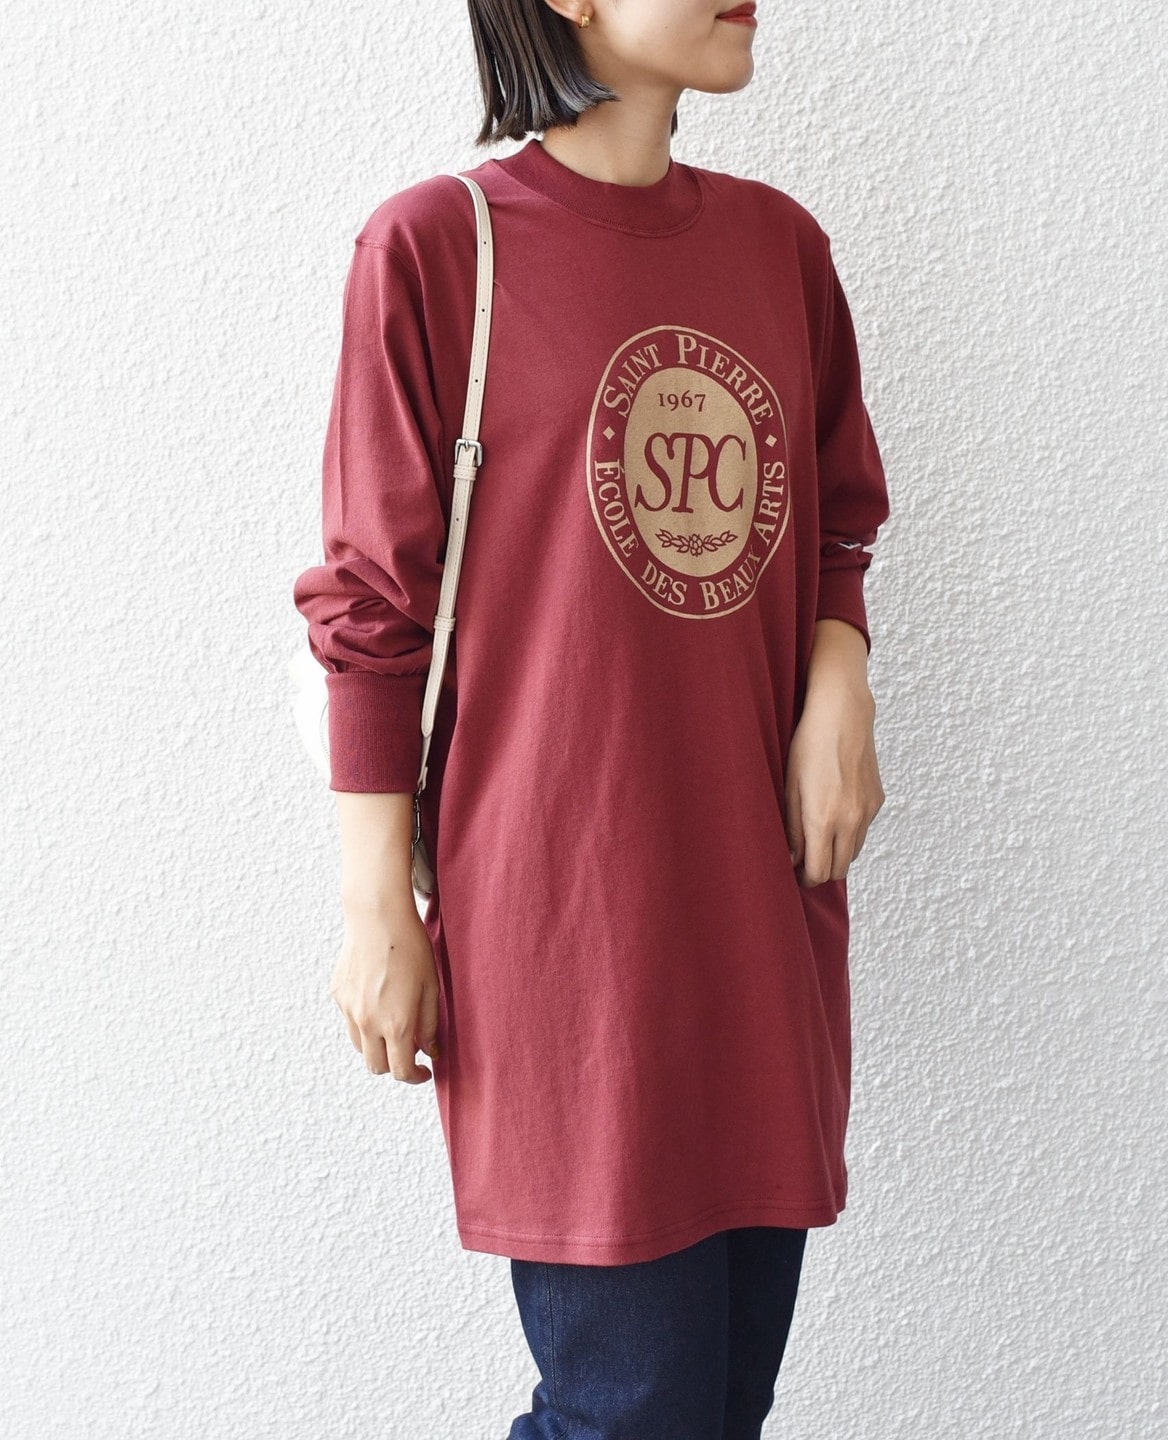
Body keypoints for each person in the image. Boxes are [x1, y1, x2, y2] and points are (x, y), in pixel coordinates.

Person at [292, 1, 891, 1434]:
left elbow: (834, 526)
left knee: (721, 1405)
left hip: (757, 914)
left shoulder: (781, 249)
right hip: (567, 932)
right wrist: (376, 907)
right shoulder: (437, 248)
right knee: (631, 1412)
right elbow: (372, 606)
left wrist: (841, 677)